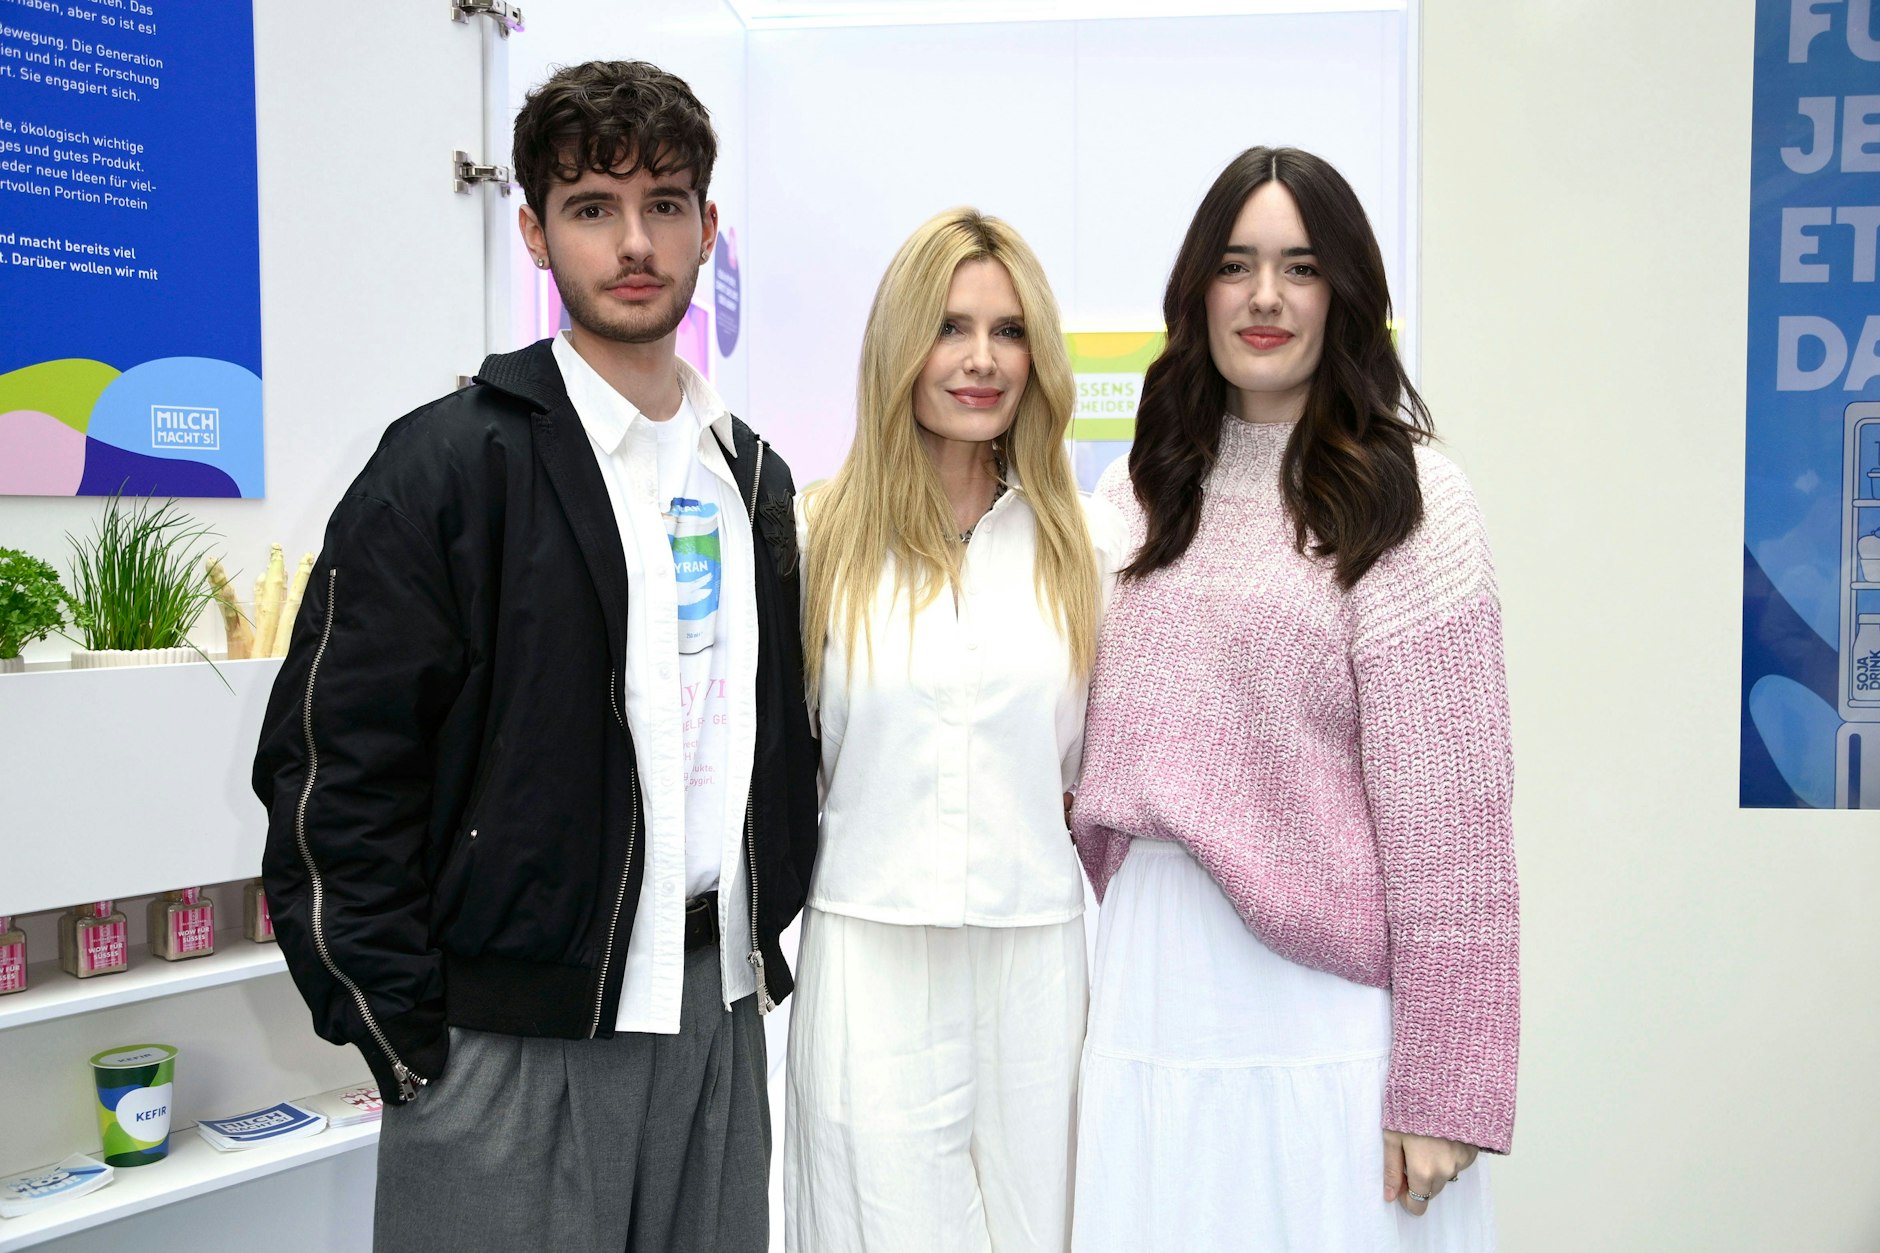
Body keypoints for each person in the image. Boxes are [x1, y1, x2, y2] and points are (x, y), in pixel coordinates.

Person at [252, 60, 817, 1252]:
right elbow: (329, 765)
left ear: (708, 229)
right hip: (503, 1045)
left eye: (664, 204)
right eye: (591, 207)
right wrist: (403, 1039)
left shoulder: (750, 477)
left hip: (713, 1016)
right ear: (534, 230)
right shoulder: (449, 466)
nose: (633, 242)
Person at [1069, 147, 1519, 1251]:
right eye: (1234, 264)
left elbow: (1455, 831)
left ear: (1344, 294)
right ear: (1197, 292)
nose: (1263, 296)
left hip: (1322, 1019)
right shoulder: (1133, 492)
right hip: (1148, 987)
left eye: (1298, 267)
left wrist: (1444, 1089)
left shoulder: (1409, 498)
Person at [784, 208, 1118, 1253]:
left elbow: (1089, 762)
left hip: (1035, 961)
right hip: (869, 956)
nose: (981, 359)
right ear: (898, 345)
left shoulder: (1086, 547)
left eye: (1008, 331)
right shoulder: (811, 533)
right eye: (949, 326)